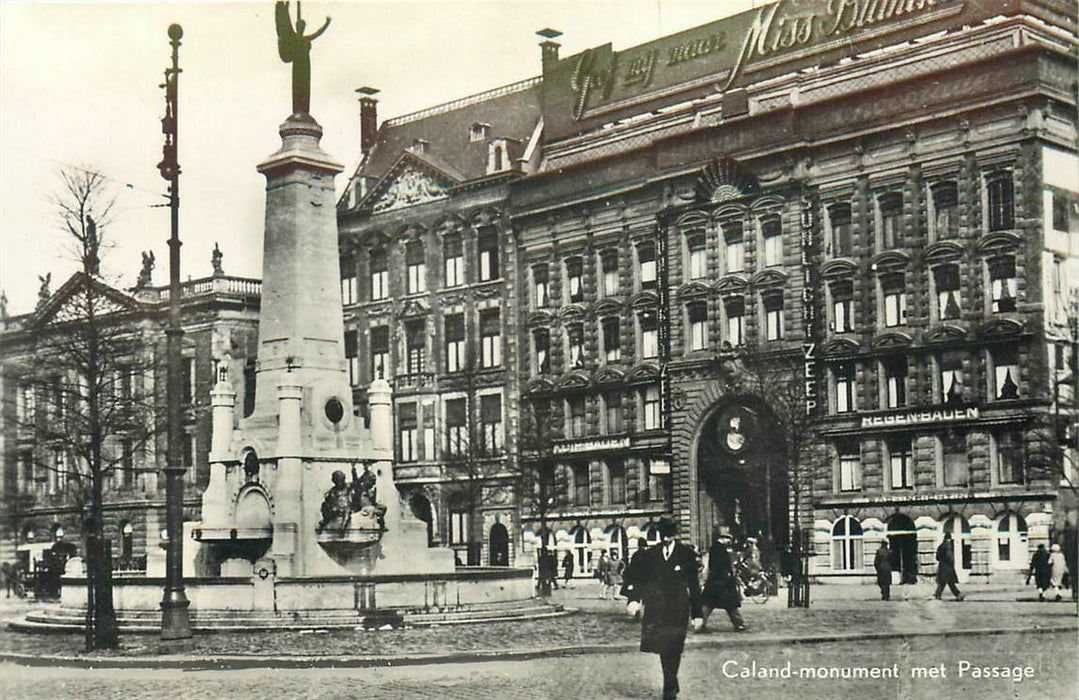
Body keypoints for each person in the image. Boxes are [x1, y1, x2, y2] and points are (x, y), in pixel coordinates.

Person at [626, 516, 703, 700]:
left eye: (670, 535)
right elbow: (640, 579)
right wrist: (634, 599)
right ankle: (671, 680)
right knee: (663, 647)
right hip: (657, 608)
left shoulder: (686, 554)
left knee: (674, 647)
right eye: (664, 535)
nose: (667, 539)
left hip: (678, 608)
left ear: (675, 534)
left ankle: (669, 687)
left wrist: (697, 613)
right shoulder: (651, 554)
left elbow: (694, 585)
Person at [701, 531, 746, 632]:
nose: (729, 541)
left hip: (717, 580)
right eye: (728, 539)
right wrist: (727, 575)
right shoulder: (719, 548)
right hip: (722, 581)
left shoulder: (716, 547)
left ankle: (700, 624)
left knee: (709, 604)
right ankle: (739, 624)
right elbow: (719, 564)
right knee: (729, 604)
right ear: (723, 538)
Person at [933, 532, 964, 601]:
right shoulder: (948, 546)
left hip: (942, 566)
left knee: (943, 583)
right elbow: (949, 556)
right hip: (948, 567)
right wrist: (952, 563)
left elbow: (937, 557)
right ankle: (958, 595)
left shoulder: (940, 546)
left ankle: (938, 595)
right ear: (949, 538)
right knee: (950, 583)